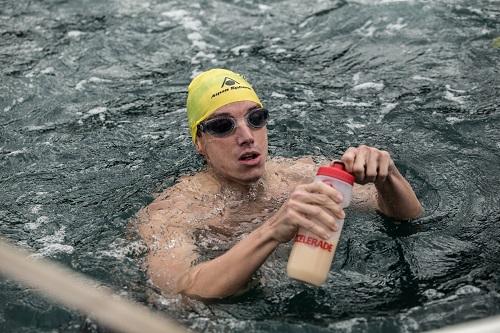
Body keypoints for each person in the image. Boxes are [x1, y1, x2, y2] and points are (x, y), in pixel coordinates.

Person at [137, 68, 423, 300]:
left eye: (256, 118)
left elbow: (406, 218)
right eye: (223, 126)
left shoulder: (302, 174)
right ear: (199, 142)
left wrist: (388, 177)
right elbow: (179, 291)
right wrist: (272, 230)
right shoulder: (173, 212)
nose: (247, 135)